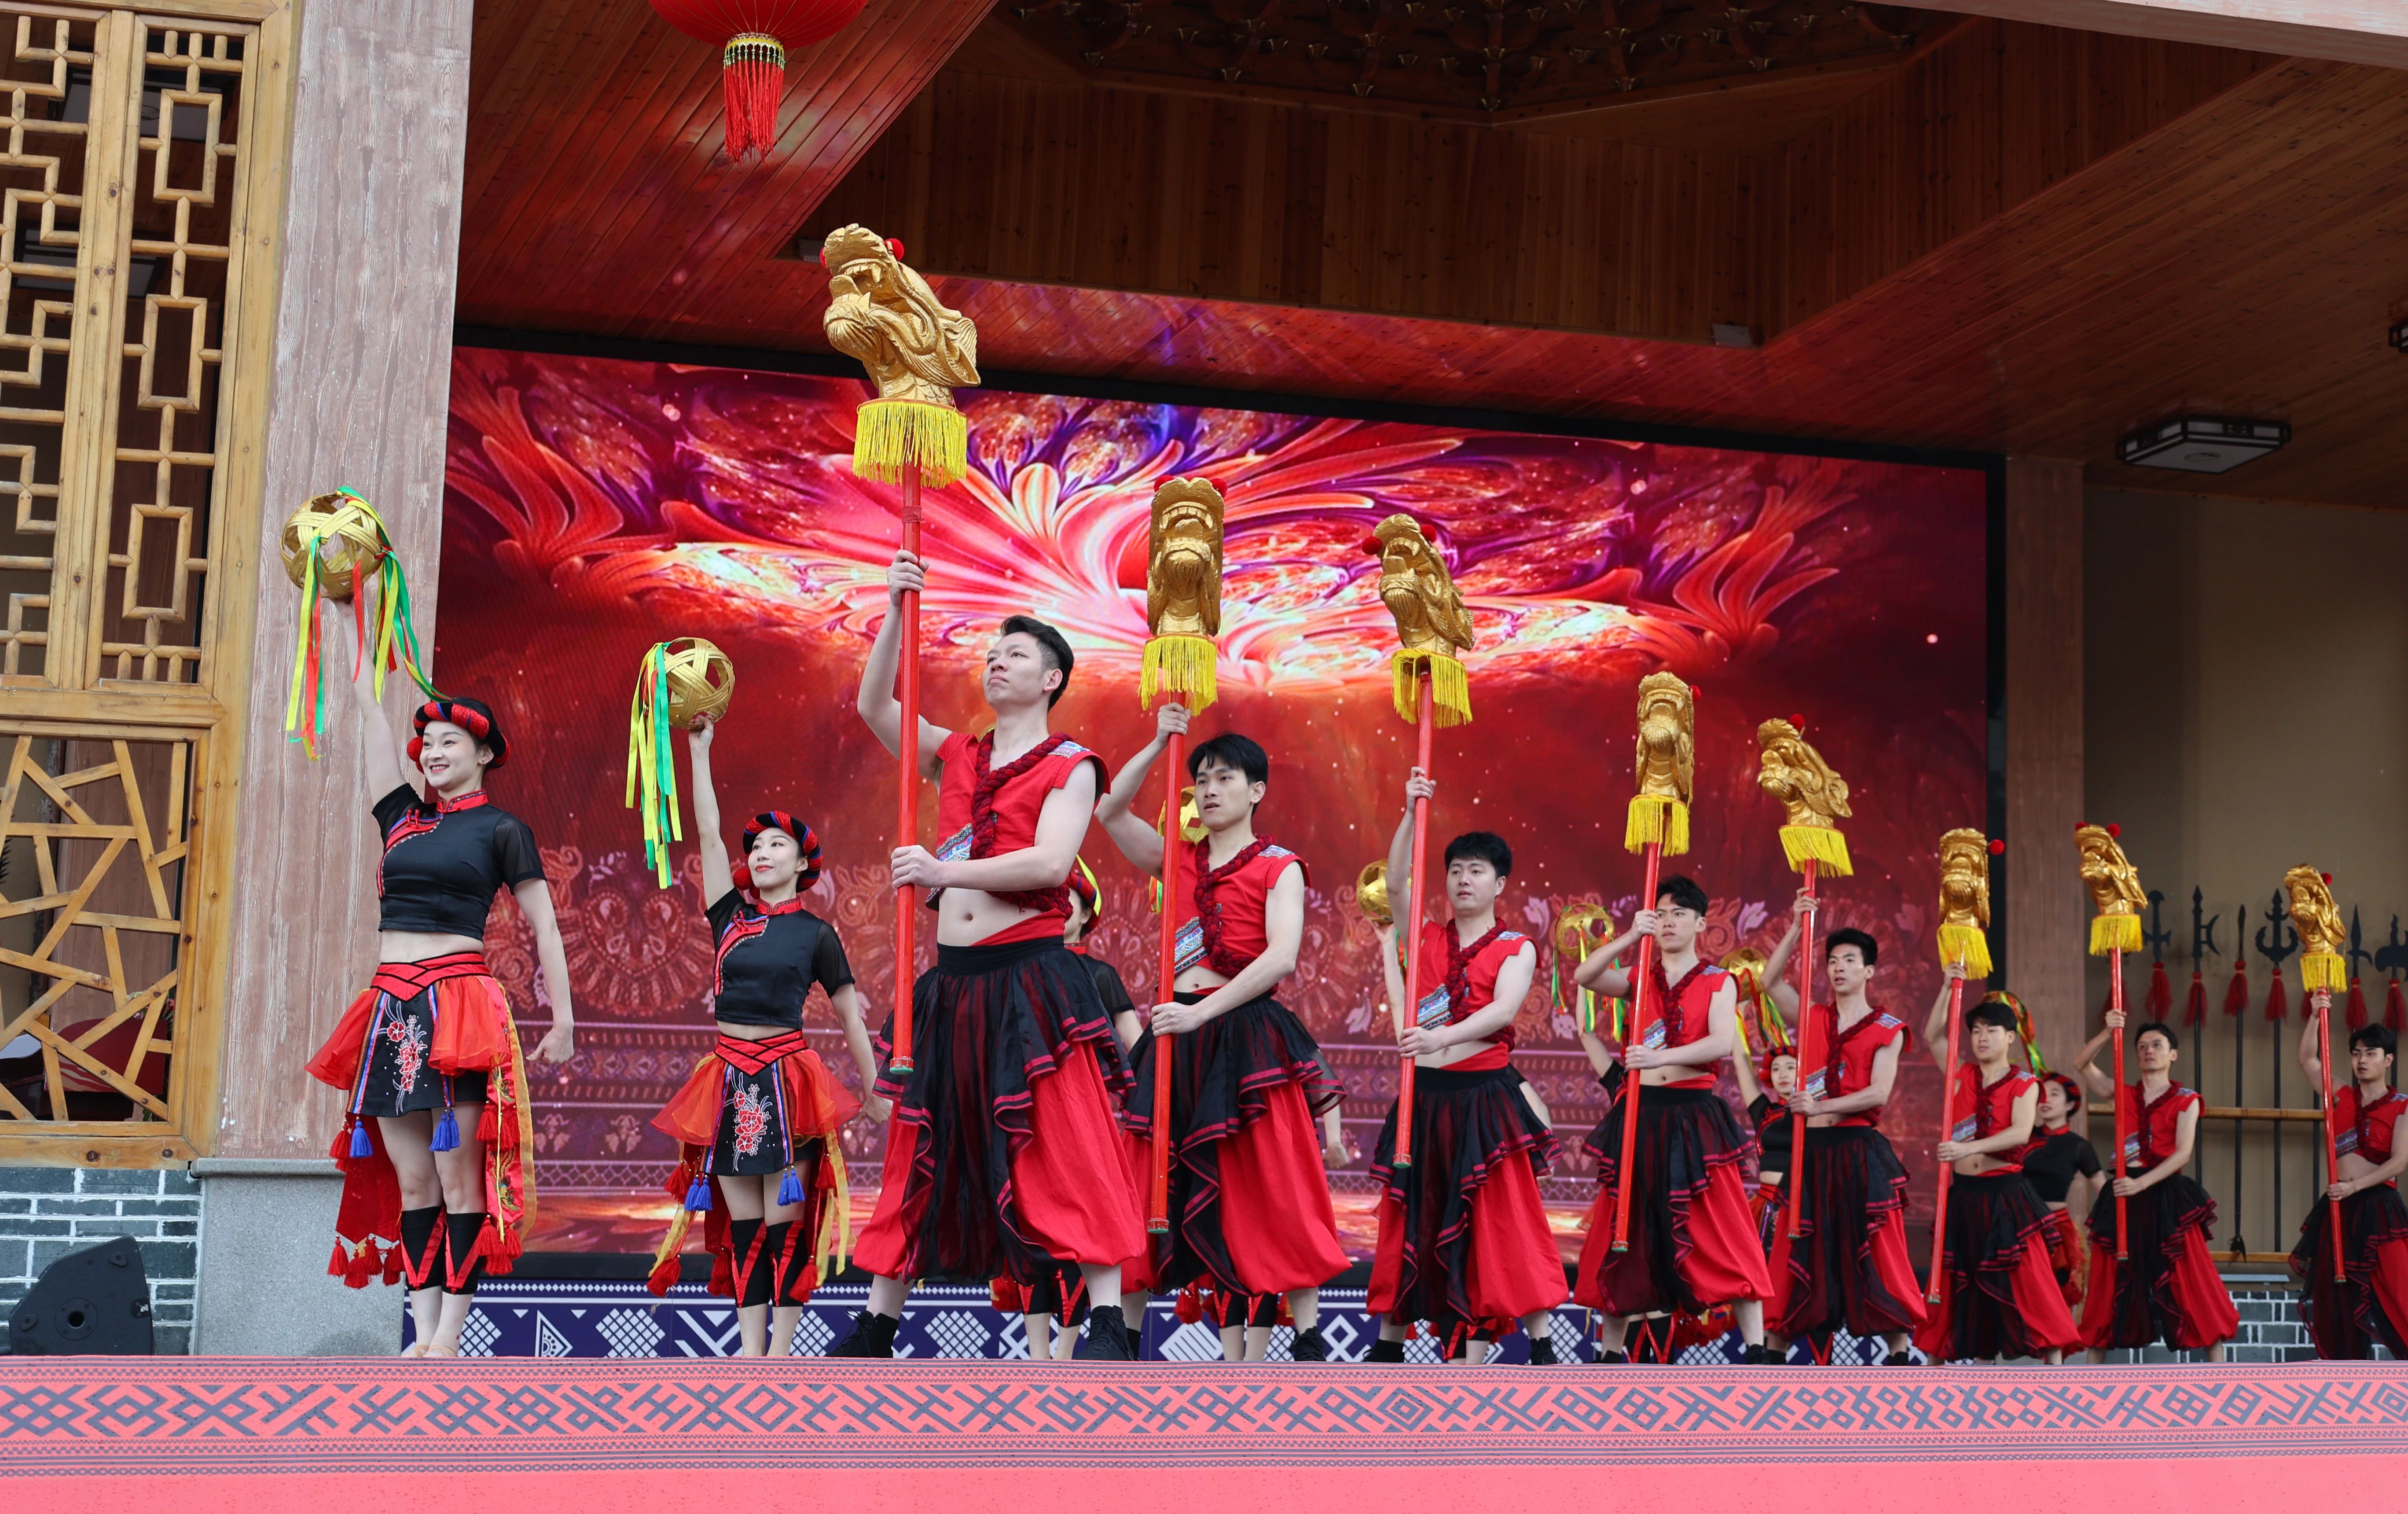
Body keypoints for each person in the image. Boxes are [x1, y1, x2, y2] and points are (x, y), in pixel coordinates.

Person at [833, 552, 1145, 1359]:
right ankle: (878, 1322)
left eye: (1015, 654)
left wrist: (942, 873)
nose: (995, 662)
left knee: (1066, 1142)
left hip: (1031, 977)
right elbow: (874, 706)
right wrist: (895, 608)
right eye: (991, 653)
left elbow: (1051, 864)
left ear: (1051, 679)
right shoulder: (958, 754)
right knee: (922, 1145)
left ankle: (1108, 1320)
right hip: (953, 983)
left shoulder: (1073, 765)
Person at [303, 581, 573, 1357]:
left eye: (451, 742)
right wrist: (349, 620)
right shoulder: (400, 817)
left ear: (484, 754)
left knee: (459, 1179)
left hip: (457, 1008)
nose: (434, 752)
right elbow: (368, 710)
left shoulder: (502, 830)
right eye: (428, 744)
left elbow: (544, 925)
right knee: (414, 1182)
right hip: (390, 1008)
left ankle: (450, 1337)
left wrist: (563, 1017)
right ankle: (421, 1336)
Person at [1094, 707, 1349, 1362]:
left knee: (1275, 1178)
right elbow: (1110, 810)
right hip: (1176, 1033)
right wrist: (1158, 740)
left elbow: (1281, 958)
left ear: (1256, 790)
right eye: (1201, 779)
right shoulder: (1176, 859)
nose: (1209, 790)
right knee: (1149, 1175)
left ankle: (1308, 1335)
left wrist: (1203, 1014)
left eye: (1224, 778)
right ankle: (1122, 1334)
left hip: (1245, 1035)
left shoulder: (1281, 867)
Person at [646, 715, 885, 1356]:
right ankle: (750, 1353)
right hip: (727, 1079)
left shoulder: (817, 934)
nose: (762, 852)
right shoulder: (729, 917)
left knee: (785, 1225)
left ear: (804, 863)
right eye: (755, 846)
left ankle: (781, 1351)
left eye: (778, 844)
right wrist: (699, 753)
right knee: (744, 1226)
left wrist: (873, 1087)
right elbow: (706, 830)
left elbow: (849, 1015)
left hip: (787, 1081)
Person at [1366, 769, 1567, 1365]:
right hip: (1426, 1096)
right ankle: (1390, 1343)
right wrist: (1410, 811)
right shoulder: (1425, 936)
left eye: (1476, 870)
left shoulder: (1517, 947)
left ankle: (1541, 1340)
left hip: (1483, 1096)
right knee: (1413, 1213)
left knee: (1505, 1217)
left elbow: (1503, 1011)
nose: (1462, 880)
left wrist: (1440, 1037)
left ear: (1499, 883)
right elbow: (1395, 882)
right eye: (1455, 870)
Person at [1572, 875, 1772, 1363]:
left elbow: (1720, 1042)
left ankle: (1757, 1348)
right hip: (1640, 1113)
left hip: (1692, 1114)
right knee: (1626, 1225)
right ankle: (1611, 1353)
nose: (1668, 921)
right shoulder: (1639, 978)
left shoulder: (1718, 981)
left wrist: (1657, 1057)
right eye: (1661, 913)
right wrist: (1630, 936)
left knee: (1721, 1225)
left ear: (1701, 923)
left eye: (1679, 913)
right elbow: (1586, 976)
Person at [1755, 899, 1923, 1363]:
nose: (1839, 968)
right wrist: (1795, 926)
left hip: (1857, 1148)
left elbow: (1878, 1093)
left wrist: (1821, 1105)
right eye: (1832, 961)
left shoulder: (1889, 1028)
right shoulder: (1813, 1017)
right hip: (1812, 1151)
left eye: (1849, 960)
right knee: (1799, 1242)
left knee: (1874, 1245)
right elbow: (1769, 982)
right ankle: (1775, 1346)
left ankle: (1899, 1351)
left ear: (1869, 971)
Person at [1004, 861, 1150, 1362]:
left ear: (1087, 914)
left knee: (1082, 1220)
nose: (1060, 908)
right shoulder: (1014, 970)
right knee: (1031, 1223)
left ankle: (1071, 1350)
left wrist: (1134, 1095)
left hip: (1081, 1110)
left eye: (1071, 901)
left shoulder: (1099, 975)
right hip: (1024, 1100)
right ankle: (1038, 1354)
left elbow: (1132, 1041)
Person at [1914, 976, 2082, 1363]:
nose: (1982, 1038)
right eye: (1976, 1031)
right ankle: (1951, 1370)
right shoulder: (1962, 1075)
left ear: (2010, 1037)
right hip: (1964, 1196)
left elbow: (2020, 1132)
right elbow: (1932, 1036)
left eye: (1991, 1030)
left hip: (2006, 1196)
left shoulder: (2026, 1083)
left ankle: (2056, 1371)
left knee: (2031, 1282)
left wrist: (1966, 1148)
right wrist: (1946, 987)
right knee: (1958, 1284)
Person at [2074, 1011, 2237, 1362]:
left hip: (2166, 1195)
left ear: (2173, 1054)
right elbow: (2082, 1064)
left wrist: (2142, 1184)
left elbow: (2183, 1153)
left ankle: (2219, 1371)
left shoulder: (2187, 1099)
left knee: (2190, 1278)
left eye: (2157, 1045)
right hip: (2122, 1194)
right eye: (2142, 1046)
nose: (2149, 1050)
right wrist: (2108, 1031)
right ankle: (2090, 1377)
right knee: (2107, 1282)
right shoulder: (2121, 1093)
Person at [2291, 1021, 2408, 1358]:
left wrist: (2356, 1186)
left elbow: (2400, 1162)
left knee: (2397, 1288)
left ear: (2388, 1059)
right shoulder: (2340, 1095)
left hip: (2379, 1206)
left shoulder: (2402, 1105)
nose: (2362, 1061)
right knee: (2335, 1295)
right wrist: (2316, 1015)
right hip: (2339, 1205)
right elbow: (2307, 1058)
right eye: (2356, 1054)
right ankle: (2343, 1368)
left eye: (2371, 1054)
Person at [2021, 1066, 2103, 1306]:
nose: (2046, 1099)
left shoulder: (2078, 1146)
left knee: (2055, 1298)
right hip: (2020, 1223)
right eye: (2042, 1094)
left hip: (2055, 1227)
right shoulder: (2022, 1137)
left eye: (2054, 1094)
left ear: (2070, 1105)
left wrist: (2100, 1228)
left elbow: (2103, 1190)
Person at [1732, 1043, 1800, 1248]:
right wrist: (1734, 1025)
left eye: (1790, 1067)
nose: (1783, 1074)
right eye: (1776, 1069)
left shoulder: (1818, 1114)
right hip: (1767, 1204)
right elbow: (1741, 1062)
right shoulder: (1765, 1113)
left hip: (1802, 1206)